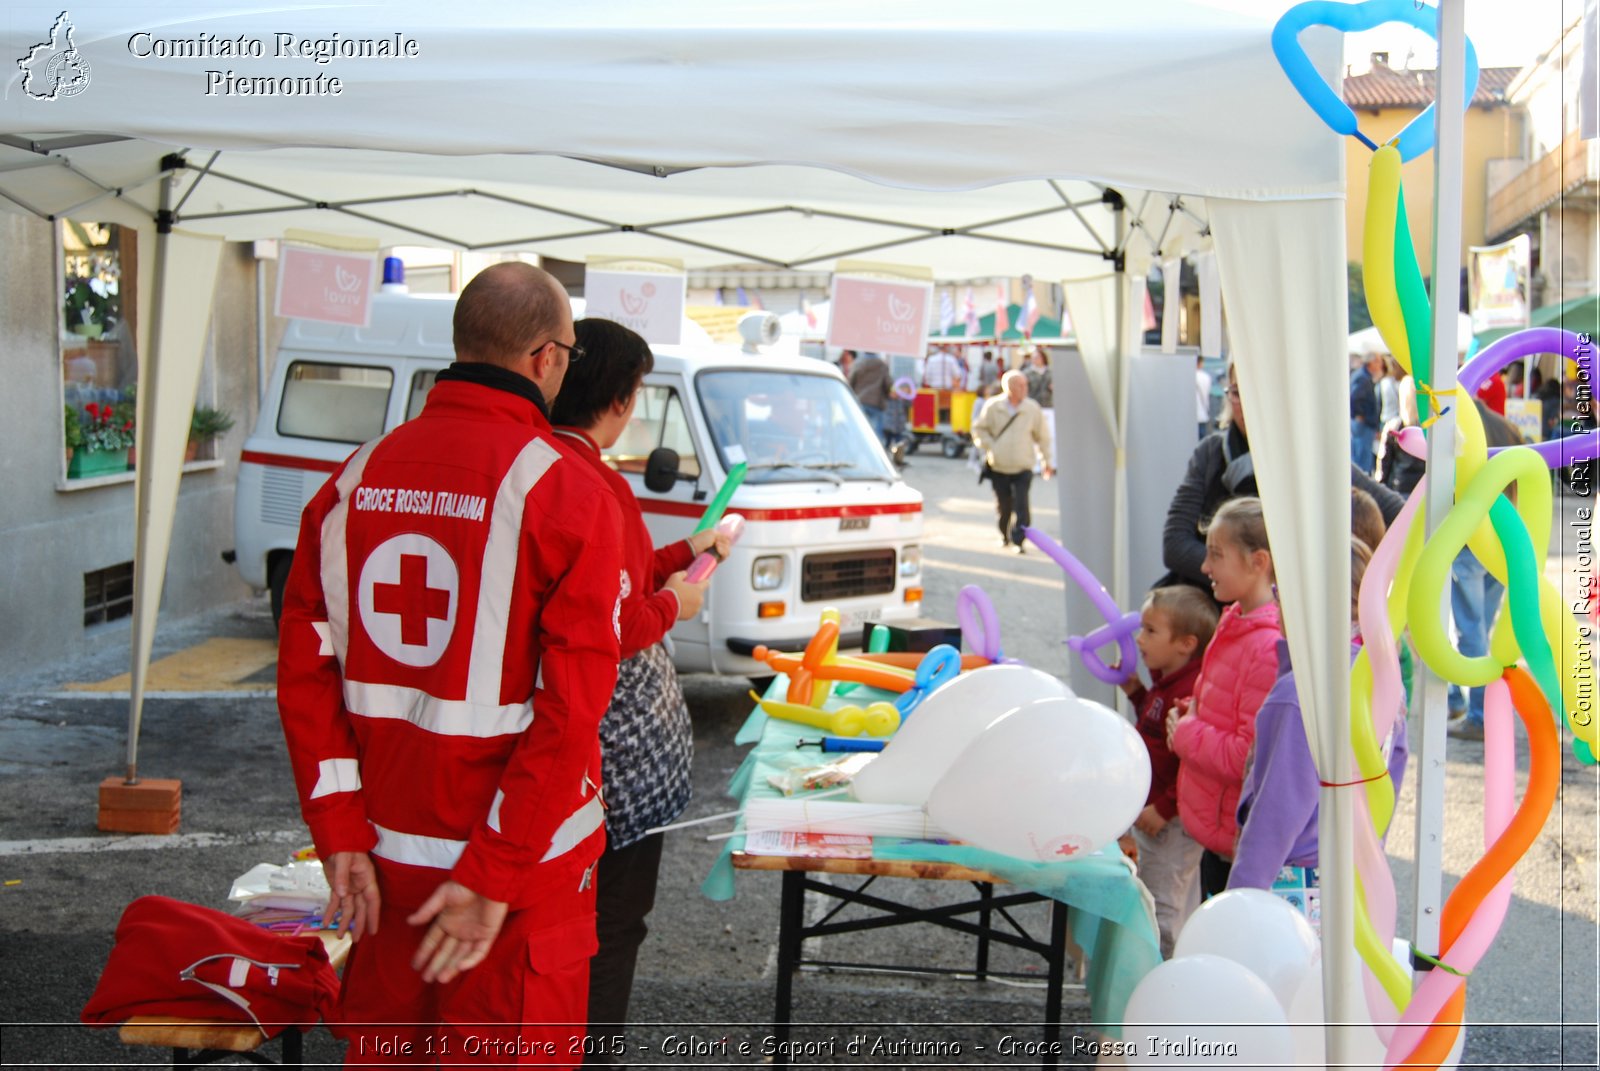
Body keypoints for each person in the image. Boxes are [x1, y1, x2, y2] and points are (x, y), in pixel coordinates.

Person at [277, 262, 624, 1065]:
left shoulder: (351, 480)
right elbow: (571, 709)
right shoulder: (568, 493)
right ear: (546, 358)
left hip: (383, 871)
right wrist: (496, 872)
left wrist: (338, 834)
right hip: (517, 886)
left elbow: (305, 675)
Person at [548, 319, 731, 1061]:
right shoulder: (589, 480)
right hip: (614, 760)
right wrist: (678, 605)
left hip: (599, 753)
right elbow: (612, 622)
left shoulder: (546, 468)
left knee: (590, 925)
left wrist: (690, 550)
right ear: (621, 399)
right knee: (611, 926)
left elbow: (619, 575)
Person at [1227, 538, 1409, 907]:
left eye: (1279, 592)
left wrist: (1237, 903)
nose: (1275, 605)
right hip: (1355, 882)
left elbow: (1275, 818)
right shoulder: (1383, 683)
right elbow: (1390, 782)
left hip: (1291, 886)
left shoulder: (1299, 696)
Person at [1160, 363, 1405, 597]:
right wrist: (1240, 574)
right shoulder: (1211, 453)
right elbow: (1175, 544)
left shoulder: (1311, 456)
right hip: (1212, 613)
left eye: (1260, 391)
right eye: (1237, 392)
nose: (1248, 403)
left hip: (1285, 619)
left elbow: (1399, 514)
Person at [1166, 496, 1282, 899]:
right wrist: (1192, 711)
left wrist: (1185, 732)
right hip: (1218, 829)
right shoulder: (1235, 620)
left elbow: (1246, 758)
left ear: (1258, 561)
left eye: (1216, 555)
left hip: (1235, 837)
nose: (1204, 566)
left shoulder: (1266, 647)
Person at [1119, 586, 1219, 958]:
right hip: (1158, 816)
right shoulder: (1166, 681)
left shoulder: (1190, 691)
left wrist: (1163, 807)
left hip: (1170, 823)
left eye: (1150, 631)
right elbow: (1155, 724)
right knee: (1158, 896)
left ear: (1185, 644)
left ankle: (1162, 982)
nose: (1139, 639)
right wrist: (1135, 691)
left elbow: (1189, 763)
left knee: (1162, 907)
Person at [1447, 401, 1525, 741]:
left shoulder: (1465, 435)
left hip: (1469, 545)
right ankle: (1462, 701)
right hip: (1502, 545)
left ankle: (1477, 713)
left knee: (1469, 632)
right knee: (1480, 631)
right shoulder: (1507, 429)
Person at [971, 370, 1054, 553]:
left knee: (1022, 506)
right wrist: (991, 445)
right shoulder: (993, 406)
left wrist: (1047, 462)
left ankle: (1019, 540)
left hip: (1022, 466)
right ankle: (1004, 534)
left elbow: (1043, 438)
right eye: (1020, 385)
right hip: (999, 466)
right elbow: (978, 430)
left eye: (1025, 385)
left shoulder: (1032, 408)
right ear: (1008, 387)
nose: (1025, 388)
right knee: (1003, 506)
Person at [848, 350, 890, 441]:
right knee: (876, 434)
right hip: (876, 402)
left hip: (859, 401)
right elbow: (887, 384)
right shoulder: (882, 365)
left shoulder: (858, 363)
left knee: (859, 430)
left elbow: (851, 382)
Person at [1350, 353, 1381, 475]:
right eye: (1378, 361)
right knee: (1362, 460)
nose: (1381, 365)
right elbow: (1355, 397)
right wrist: (1360, 416)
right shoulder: (1362, 378)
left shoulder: (1362, 376)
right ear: (1371, 363)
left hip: (1363, 423)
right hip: (1363, 424)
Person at [1194, 355, 1213, 441]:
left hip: (1190, 417)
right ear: (1201, 363)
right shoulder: (1206, 377)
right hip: (1202, 415)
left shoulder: (1188, 375)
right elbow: (1206, 396)